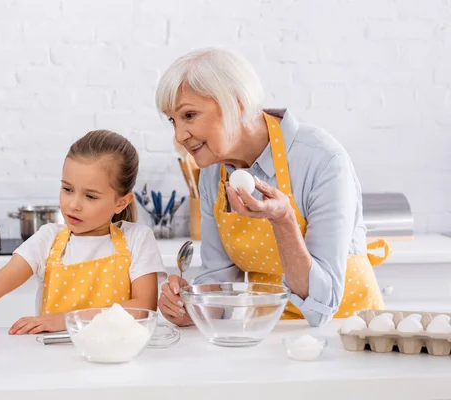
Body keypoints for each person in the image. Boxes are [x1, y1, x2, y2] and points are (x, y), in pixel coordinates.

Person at [155, 48, 390, 327]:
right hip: (267, 331)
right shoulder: (211, 173)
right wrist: (190, 306)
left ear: (237, 103)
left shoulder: (322, 159)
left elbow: (322, 308)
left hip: (346, 331)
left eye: (189, 115)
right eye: (173, 120)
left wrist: (283, 219)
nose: (179, 135)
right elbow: (218, 280)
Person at [0, 130, 167, 334]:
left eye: (90, 196)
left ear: (121, 202)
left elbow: (143, 308)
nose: (73, 204)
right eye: (67, 189)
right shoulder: (48, 239)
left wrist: (68, 319)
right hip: (52, 363)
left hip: (117, 358)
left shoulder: (137, 239)